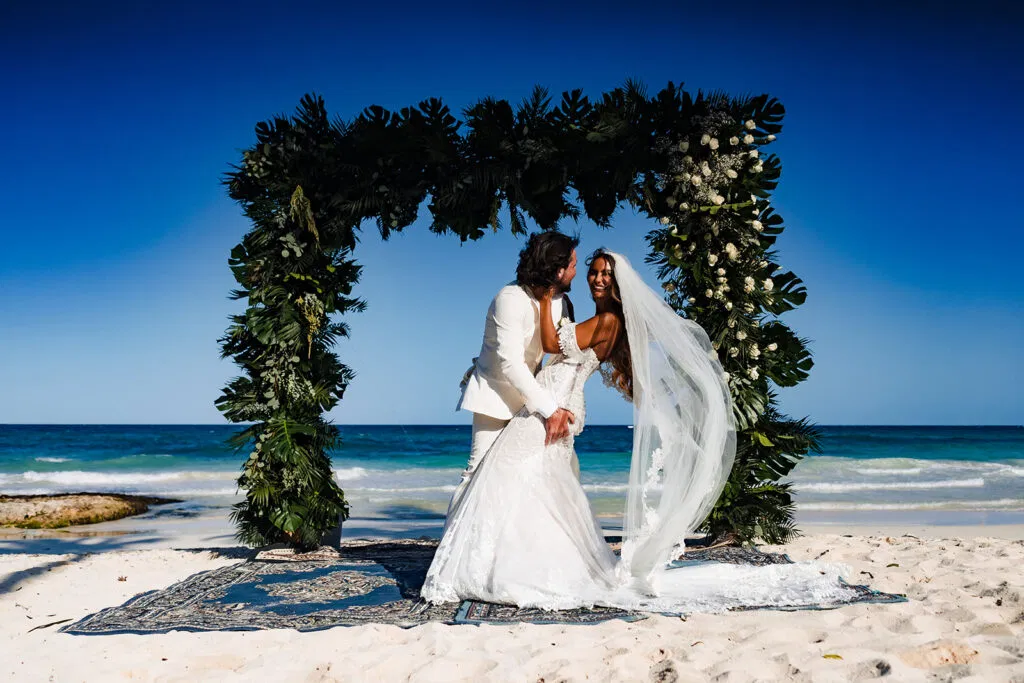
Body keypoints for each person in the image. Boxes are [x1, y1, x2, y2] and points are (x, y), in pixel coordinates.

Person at [422, 249, 856, 613]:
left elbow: (554, 346)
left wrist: (542, 294)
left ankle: (515, 566)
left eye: (603, 274)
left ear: (616, 283)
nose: (594, 278)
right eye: (591, 271)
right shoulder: (601, 318)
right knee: (533, 483)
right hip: (555, 401)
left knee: (510, 475)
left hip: (553, 404)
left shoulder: (607, 321)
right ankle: (514, 560)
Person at [452, 231, 579, 512]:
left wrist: (562, 404)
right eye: (572, 264)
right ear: (557, 271)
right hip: (495, 399)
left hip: (532, 403)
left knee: (533, 477)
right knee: (477, 475)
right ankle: (453, 551)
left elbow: (563, 356)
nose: (575, 270)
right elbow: (509, 362)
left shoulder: (563, 303)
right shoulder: (509, 298)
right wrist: (550, 409)